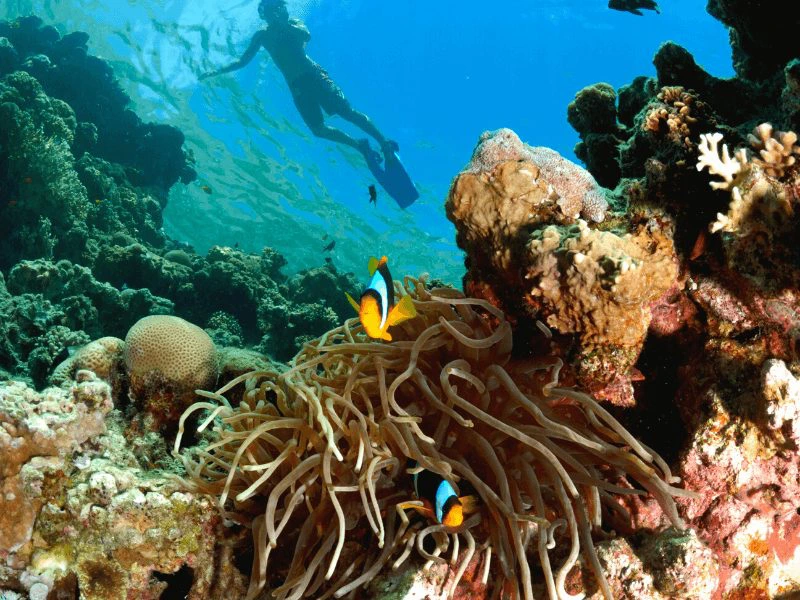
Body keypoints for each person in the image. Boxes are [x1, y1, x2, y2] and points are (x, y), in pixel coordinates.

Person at [200, 0, 397, 164]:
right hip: (297, 88)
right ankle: (359, 145)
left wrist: (284, 24)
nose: (274, 13)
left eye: (278, 8)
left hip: (315, 77)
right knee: (318, 129)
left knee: (346, 113)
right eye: (269, 11)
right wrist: (216, 71)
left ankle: (384, 142)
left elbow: (306, 36)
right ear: (264, 14)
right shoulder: (262, 35)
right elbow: (242, 61)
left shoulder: (294, 23)